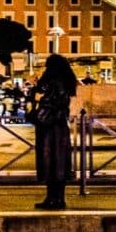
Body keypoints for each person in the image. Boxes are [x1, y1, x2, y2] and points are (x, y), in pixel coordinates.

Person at [32, 53, 78, 210]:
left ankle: (52, 198)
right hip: (59, 126)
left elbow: (53, 101)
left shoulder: (55, 82)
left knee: (50, 162)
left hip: (50, 127)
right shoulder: (65, 81)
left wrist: (39, 99)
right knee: (59, 164)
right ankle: (57, 198)